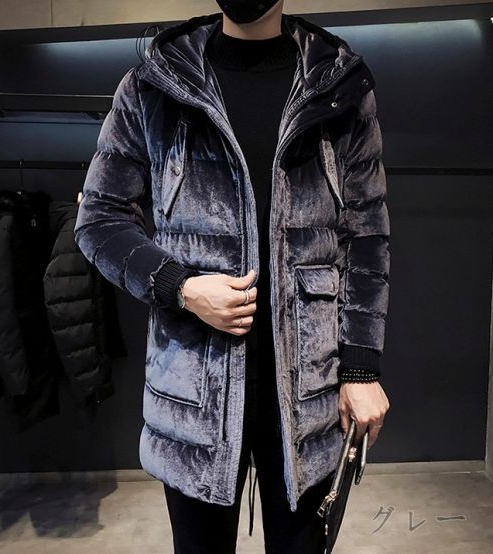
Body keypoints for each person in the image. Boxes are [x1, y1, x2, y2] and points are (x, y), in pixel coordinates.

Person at [74, 1, 391, 552]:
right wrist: (180, 286)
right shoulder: (155, 84)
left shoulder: (336, 85)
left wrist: (361, 368)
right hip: (195, 392)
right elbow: (99, 220)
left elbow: (366, 235)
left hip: (308, 394)